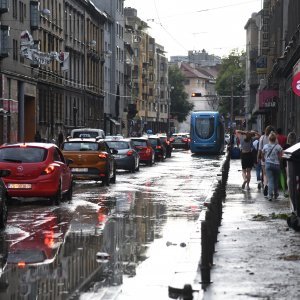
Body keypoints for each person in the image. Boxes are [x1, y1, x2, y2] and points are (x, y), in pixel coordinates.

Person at [262, 131, 283, 201]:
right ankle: (276, 194)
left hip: (268, 164)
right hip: (276, 165)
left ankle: (270, 195)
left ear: (269, 139)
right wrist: (279, 160)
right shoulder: (278, 146)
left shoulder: (265, 146)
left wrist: (263, 159)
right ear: (275, 139)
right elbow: (281, 154)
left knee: (270, 180)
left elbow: (262, 154)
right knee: (276, 180)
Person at [257, 125, 275, 197]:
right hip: (273, 158)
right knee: (271, 175)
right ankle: (271, 190)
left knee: (265, 174)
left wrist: (258, 157)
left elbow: (260, 149)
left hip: (264, 158)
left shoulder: (262, 137)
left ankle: (265, 185)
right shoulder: (274, 137)